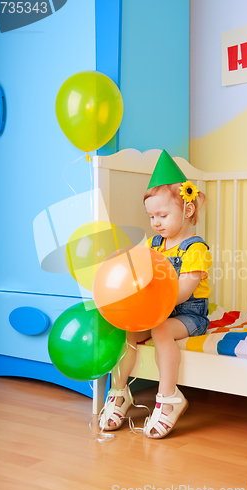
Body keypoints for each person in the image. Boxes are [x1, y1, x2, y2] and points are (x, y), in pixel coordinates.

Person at [99, 150, 212, 439]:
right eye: (151, 216)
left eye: (163, 215)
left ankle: (169, 398)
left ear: (187, 211)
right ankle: (119, 391)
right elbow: (139, 272)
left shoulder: (195, 249)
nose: (156, 222)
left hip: (187, 314)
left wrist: (152, 306)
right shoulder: (154, 243)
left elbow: (185, 292)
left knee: (161, 330)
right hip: (155, 309)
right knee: (126, 330)